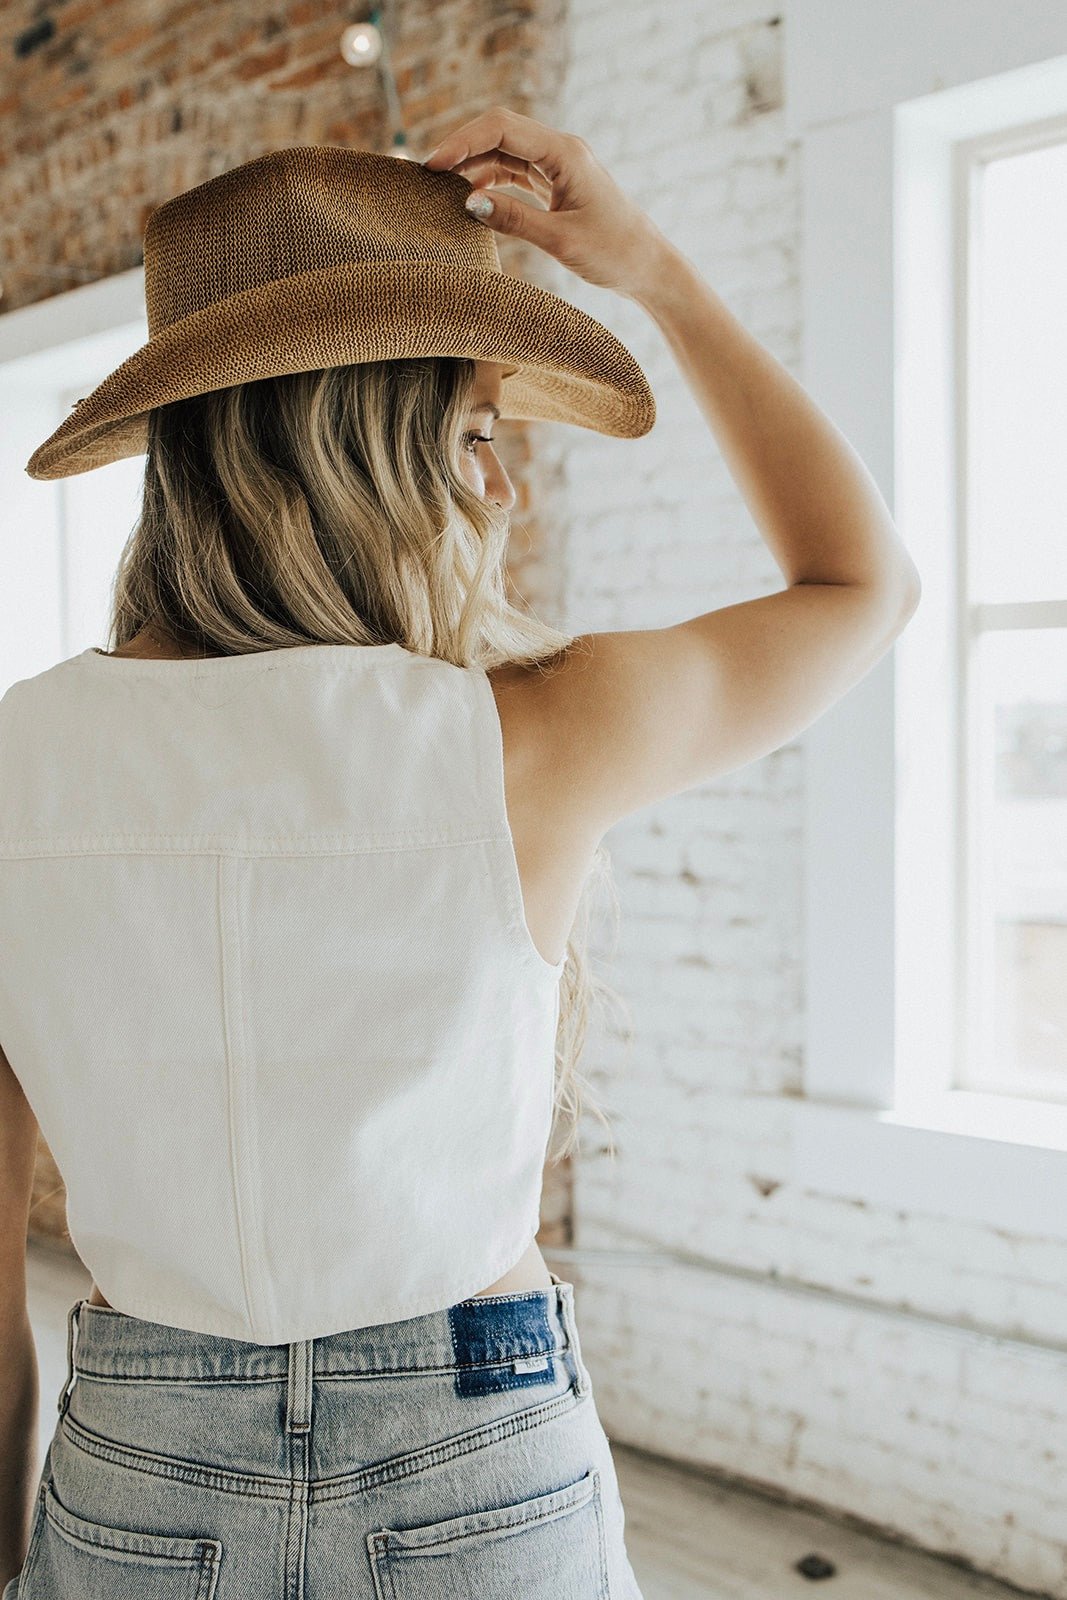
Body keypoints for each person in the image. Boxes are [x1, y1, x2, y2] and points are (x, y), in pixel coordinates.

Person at [0, 107, 920, 1598]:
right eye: (481, 428)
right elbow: (859, 583)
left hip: (136, 1461)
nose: (505, 487)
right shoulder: (534, 735)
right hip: (472, 1449)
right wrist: (655, 273)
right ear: (368, 441)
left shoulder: (10, 772)